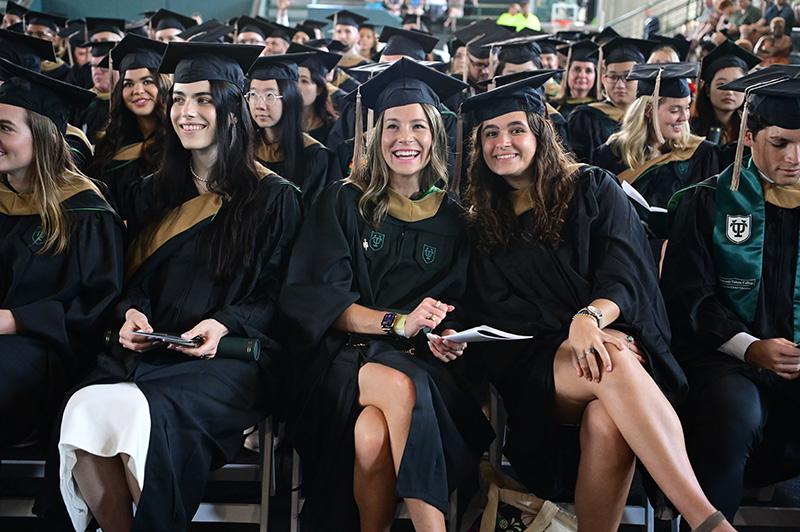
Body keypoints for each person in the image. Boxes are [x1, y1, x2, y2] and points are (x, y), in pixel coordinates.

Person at [460, 70, 735, 532]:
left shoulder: (593, 188)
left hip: (609, 342)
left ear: (540, 135)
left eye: (515, 130)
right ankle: (709, 522)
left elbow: (626, 271)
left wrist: (592, 319)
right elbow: (500, 308)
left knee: (608, 419)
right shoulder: (481, 222)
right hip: (535, 367)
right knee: (609, 357)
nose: (501, 142)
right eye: (490, 133)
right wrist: (583, 327)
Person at [51, 41, 302, 532]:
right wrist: (131, 315)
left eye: (203, 100)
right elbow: (133, 283)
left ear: (232, 109)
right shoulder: (151, 191)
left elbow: (277, 293)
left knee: (141, 414)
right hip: (149, 350)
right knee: (84, 410)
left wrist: (223, 324)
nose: (187, 112)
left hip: (225, 359)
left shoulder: (274, 198)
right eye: (180, 99)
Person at [280, 57, 494, 532]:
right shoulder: (344, 201)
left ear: (436, 135)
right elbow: (320, 302)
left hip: (425, 364)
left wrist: (450, 334)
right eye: (392, 125)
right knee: (397, 387)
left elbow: (465, 303)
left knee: (372, 435)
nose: (405, 138)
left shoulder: (457, 218)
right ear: (374, 135)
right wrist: (400, 322)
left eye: (418, 126)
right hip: (343, 360)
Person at [661, 64, 800, 526]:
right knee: (731, 411)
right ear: (748, 137)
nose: (795, 156)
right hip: (725, 360)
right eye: (780, 142)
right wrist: (751, 347)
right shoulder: (706, 202)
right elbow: (689, 297)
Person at [0, 59, 123, 448]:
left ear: (43, 136)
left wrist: (15, 321)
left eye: (4, 128)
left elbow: (95, 306)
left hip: (49, 353)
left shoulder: (86, 211)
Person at [595, 63, 719, 214]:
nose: (684, 117)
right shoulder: (612, 152)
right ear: (648, 110)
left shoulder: (702, 154)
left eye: (687, 107)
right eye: (675, 110)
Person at [85, 34, 170, 219]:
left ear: (162, 86)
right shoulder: (109, 144)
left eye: (147, 82)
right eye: (128, 84)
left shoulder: (176, 144)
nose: (137, 90)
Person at [247, 53, 336, 207]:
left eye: (270, 95)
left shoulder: (315, 155)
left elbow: (313, 215)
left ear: (290, 97)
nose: (259, 105)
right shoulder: (243, 146)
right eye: (253, 94)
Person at [568, 37, 656, 163]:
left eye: (628, 77)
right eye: (613, 77)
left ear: (643, 79)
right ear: (604, 80)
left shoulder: (652, 119)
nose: (619, 85)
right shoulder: (585, 118)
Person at [690, 40, 759, 167]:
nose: (730, 91)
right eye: (721, 84)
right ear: (708, 90)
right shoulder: (691, 130)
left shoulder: (754, 131)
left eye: (737, 84)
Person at [288, 43, 341, 144]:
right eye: (293, 80)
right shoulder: (281, 125)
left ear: (319, 89)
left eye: (304, 81)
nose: (296, 86)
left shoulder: (334, 129)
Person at [554, 40, 598, 120]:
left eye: (588, 71)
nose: (582, 75)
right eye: (577, 69)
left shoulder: (602, 111)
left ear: (595, 76)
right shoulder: (554, 108)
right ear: (567, 73)